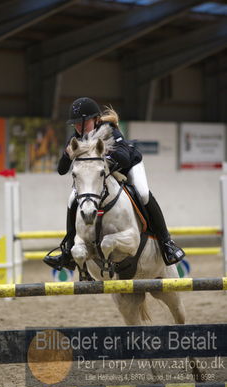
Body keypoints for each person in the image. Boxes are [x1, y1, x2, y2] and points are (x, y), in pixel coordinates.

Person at [43, 97, 185, 270]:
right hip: (99, 177)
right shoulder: (76, 138)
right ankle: (68, 250)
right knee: (72, 198)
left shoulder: (109, 131)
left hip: (128, 167)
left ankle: (166, 242)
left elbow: (124, 159)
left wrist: (104, 157)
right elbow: (61, 170)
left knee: (143, 193)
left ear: (95, 120)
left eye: (83, 123)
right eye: (76, 124)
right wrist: (67, 154)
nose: (79, 128)